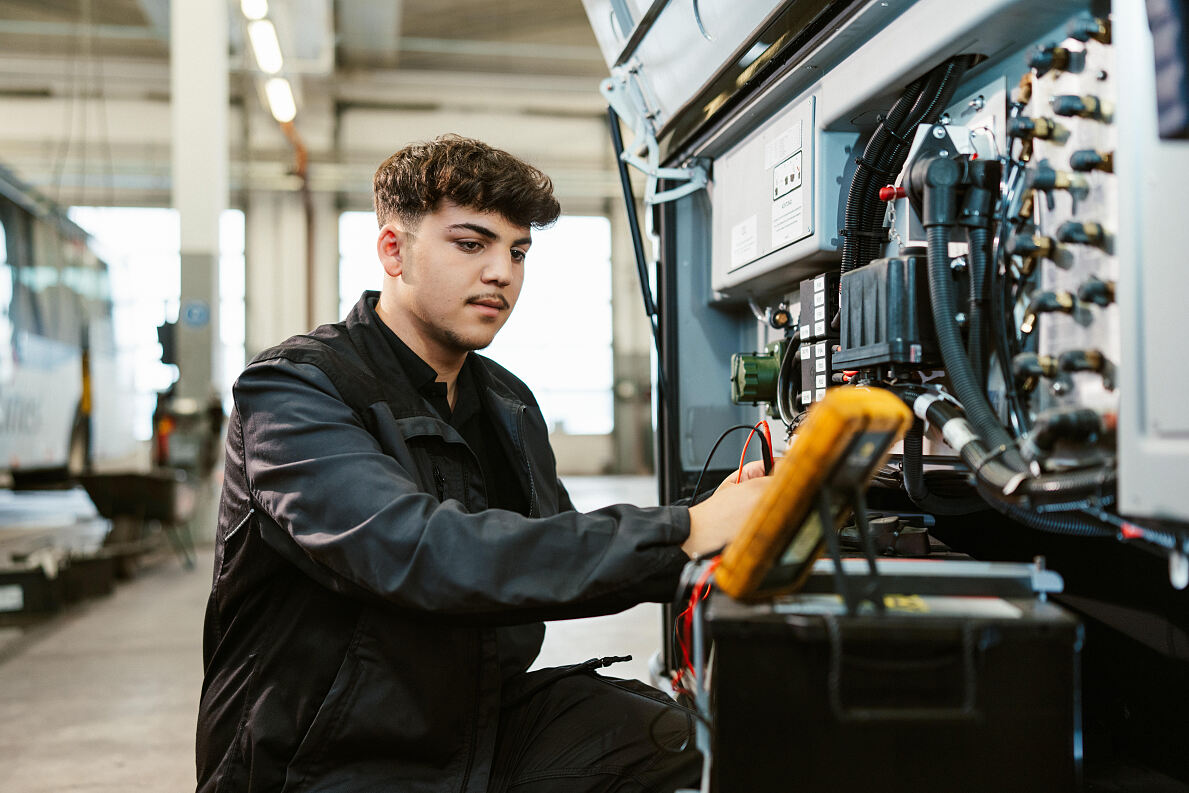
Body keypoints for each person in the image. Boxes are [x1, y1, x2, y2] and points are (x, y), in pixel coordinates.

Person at [196, 134, 771, 793]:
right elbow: (415, 550)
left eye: (517, 250)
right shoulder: (295, 390)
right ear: (394, 250)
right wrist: (684, 531)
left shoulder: (505, 401)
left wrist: (709, 526)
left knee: (683, 736)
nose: (501, 271)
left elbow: (554, 555)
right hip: (318, 758)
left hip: (469, 724)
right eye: (471, 244)